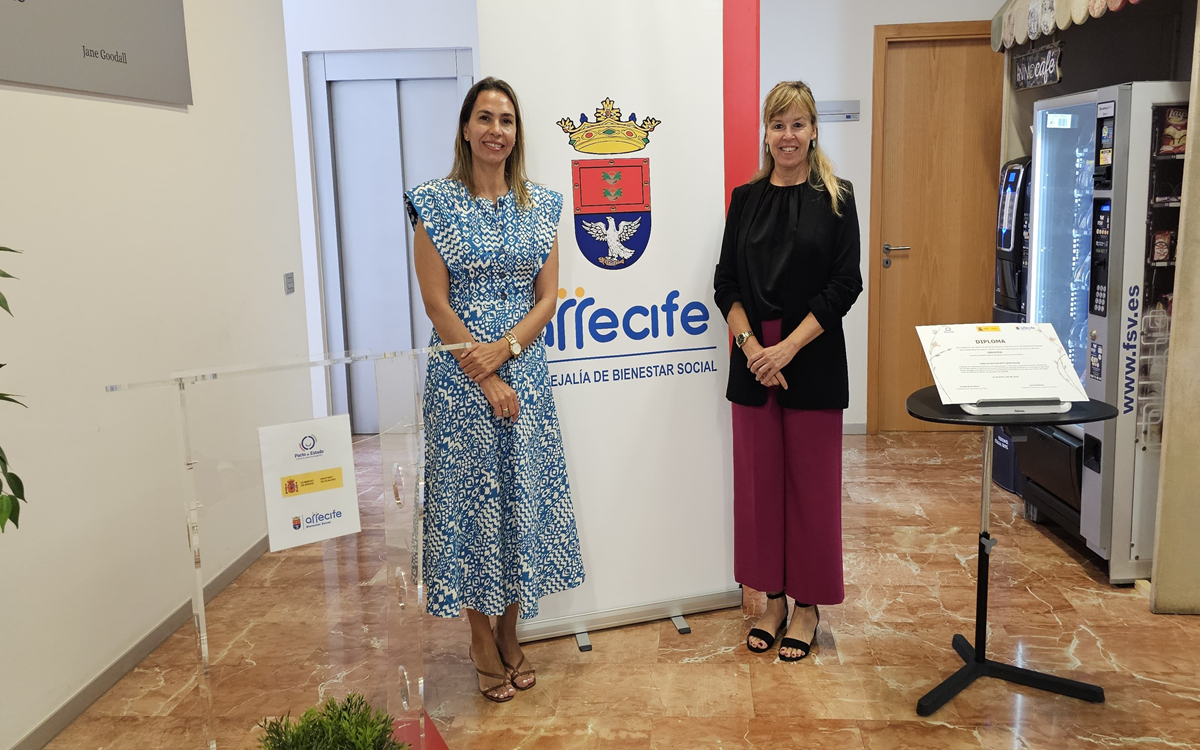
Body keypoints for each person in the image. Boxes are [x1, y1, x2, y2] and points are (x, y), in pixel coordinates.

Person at [404, 77, 585, 702]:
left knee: (517, 503)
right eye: (484, 118)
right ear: (464, 128)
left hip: (525, 373)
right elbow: (435, 301)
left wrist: (507, 354)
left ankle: (513, 632)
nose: (495, 130)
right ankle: (480, 639)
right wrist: (483, 374)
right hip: (459, 380)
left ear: (517, 133)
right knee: (469, 509)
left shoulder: (542, 206)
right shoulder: (434, 202)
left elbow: (546, 298)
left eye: (506, 120)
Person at [713, 80, 862, 662]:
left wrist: (786, 350)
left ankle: (807, 606)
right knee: (759, 490)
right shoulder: (744, 199)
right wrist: (753, 347)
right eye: (778, 125)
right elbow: (726, 283)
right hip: (753, 361)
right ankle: (772, 601)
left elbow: (844, 285)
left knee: (811, 492)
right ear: (766, 133)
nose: (787, 135)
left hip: (812, 358)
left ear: (814, 129)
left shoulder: (837, 197)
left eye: (798, 124)